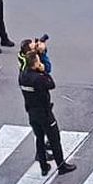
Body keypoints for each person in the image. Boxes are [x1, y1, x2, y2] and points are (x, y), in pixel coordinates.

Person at [17, 40, 75, 175]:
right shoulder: (38, 78)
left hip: (31, 112)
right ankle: (61, 166)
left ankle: (43, 166)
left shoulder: (22, 76)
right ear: (35, 64)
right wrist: (44, 72)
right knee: (54, 139)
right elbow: (51, 84)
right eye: (38, 61)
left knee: (39, 138)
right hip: (44, 112)